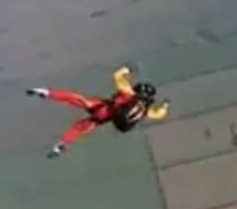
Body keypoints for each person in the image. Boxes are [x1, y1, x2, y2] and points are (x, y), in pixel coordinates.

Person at [27, 66, 169, 158]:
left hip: (103, 107)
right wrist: (165, 107)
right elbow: (158, 114)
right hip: (104, 118)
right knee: (80, 128)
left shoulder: (128, 93)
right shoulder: (145, 110)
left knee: (77, 99)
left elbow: (117, 76)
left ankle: (47, 93)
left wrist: (126, 70)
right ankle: (62, 144)